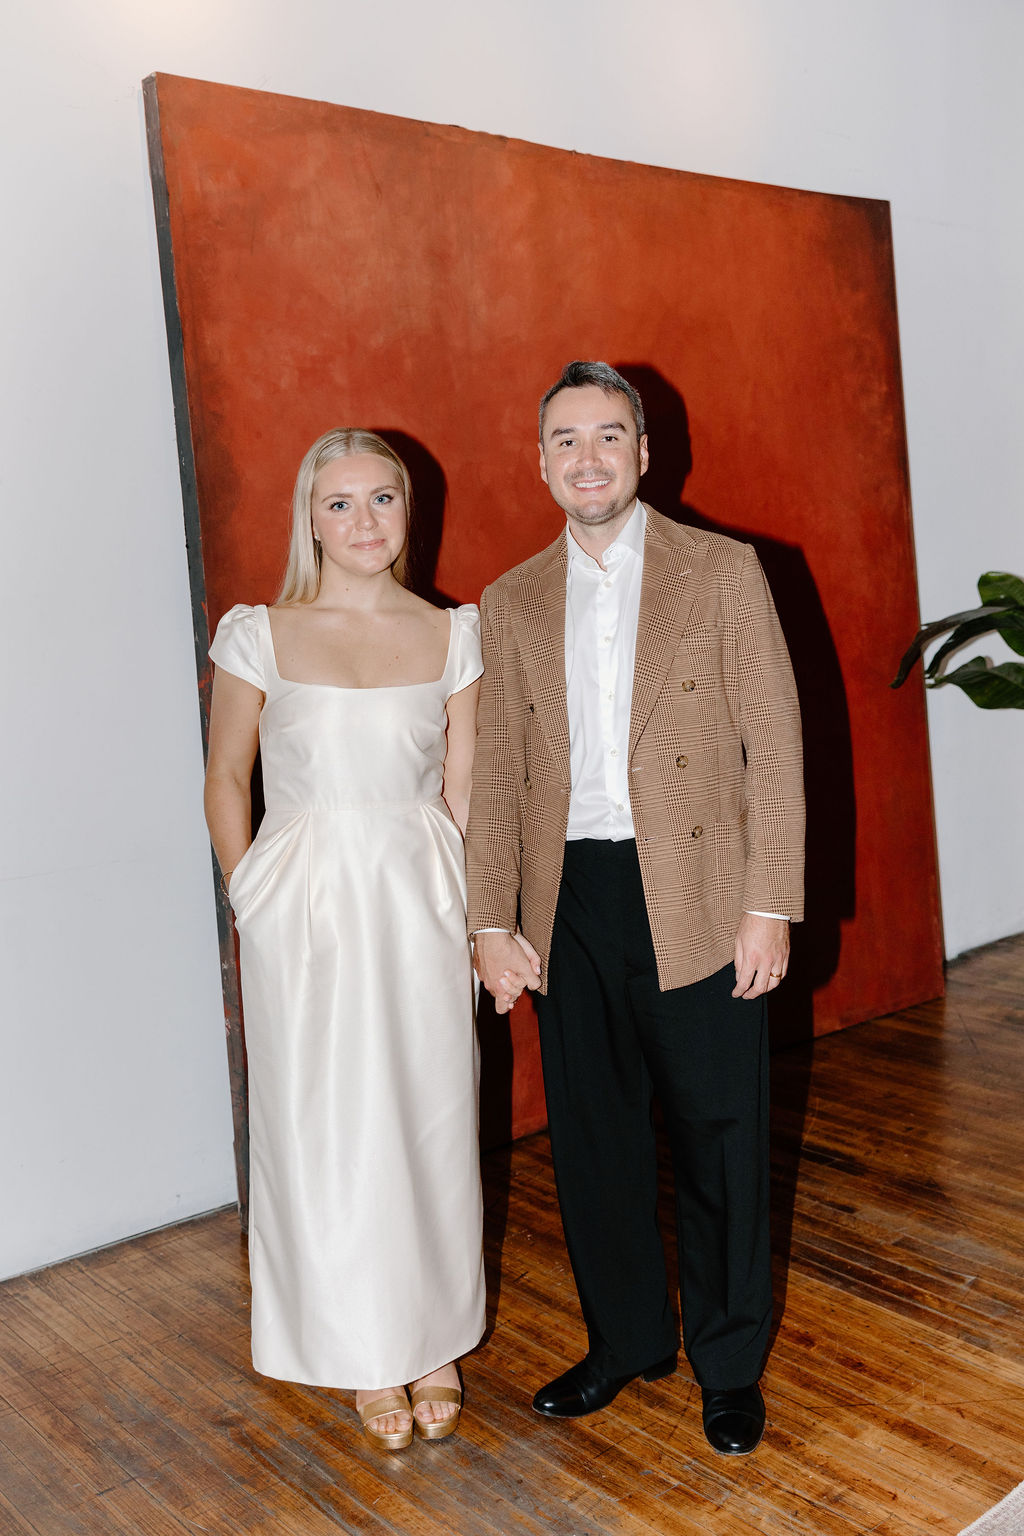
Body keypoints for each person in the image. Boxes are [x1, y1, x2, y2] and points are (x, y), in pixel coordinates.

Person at [466, 362, 804, 1456]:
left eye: (608, 437)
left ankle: (726, 1359)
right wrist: (488, 921)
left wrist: (771, 903)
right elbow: (502, 774)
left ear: (645, 453)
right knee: (594, 1140)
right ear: (541, 461)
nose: (587, 459)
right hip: (570, 897)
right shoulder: (510, 598)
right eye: (565, 440)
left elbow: (775, 747)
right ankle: (625, 1342)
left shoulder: (722, 571)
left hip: (698, 889)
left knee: (717, 1136)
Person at [204, 429, 502, 1452]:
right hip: (306, 904)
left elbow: (465, 792)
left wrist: (477, 919)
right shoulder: (259, 634)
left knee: (427, 1116)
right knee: (327, 1130)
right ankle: (362, 1348)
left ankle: (430, 1340)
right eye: (340, 503)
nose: (363, 521)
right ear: (310, 518)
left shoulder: (455, 634)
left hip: (420, 894)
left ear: (406, 513)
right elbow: (222, 779)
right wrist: (252, 894)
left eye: (382, 499)